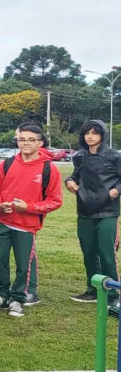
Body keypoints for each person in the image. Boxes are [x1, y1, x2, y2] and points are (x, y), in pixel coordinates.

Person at [0, 123, 62, 317]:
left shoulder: (49, 169)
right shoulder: (6, 164)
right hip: (2, 222)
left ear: (40, 143)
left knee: (23, 265)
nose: (26, 143)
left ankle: (18, 299)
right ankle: (1, 296)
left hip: (27, 226)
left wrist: (29, 208)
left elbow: (55, 201)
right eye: (22, 139)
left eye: (31, 140)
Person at [67, 120, 121, 307]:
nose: (90, 136)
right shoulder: (80, 156)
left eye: (94, 133)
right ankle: (93, 290)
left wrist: (116, 191)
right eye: (87, 133)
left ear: (102, 135)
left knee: (106, 253)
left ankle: (114, 293)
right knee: (88, 253)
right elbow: (74, 175)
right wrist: (70, 182)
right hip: (85, 211)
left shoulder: (114, 156)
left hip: (107, 212)